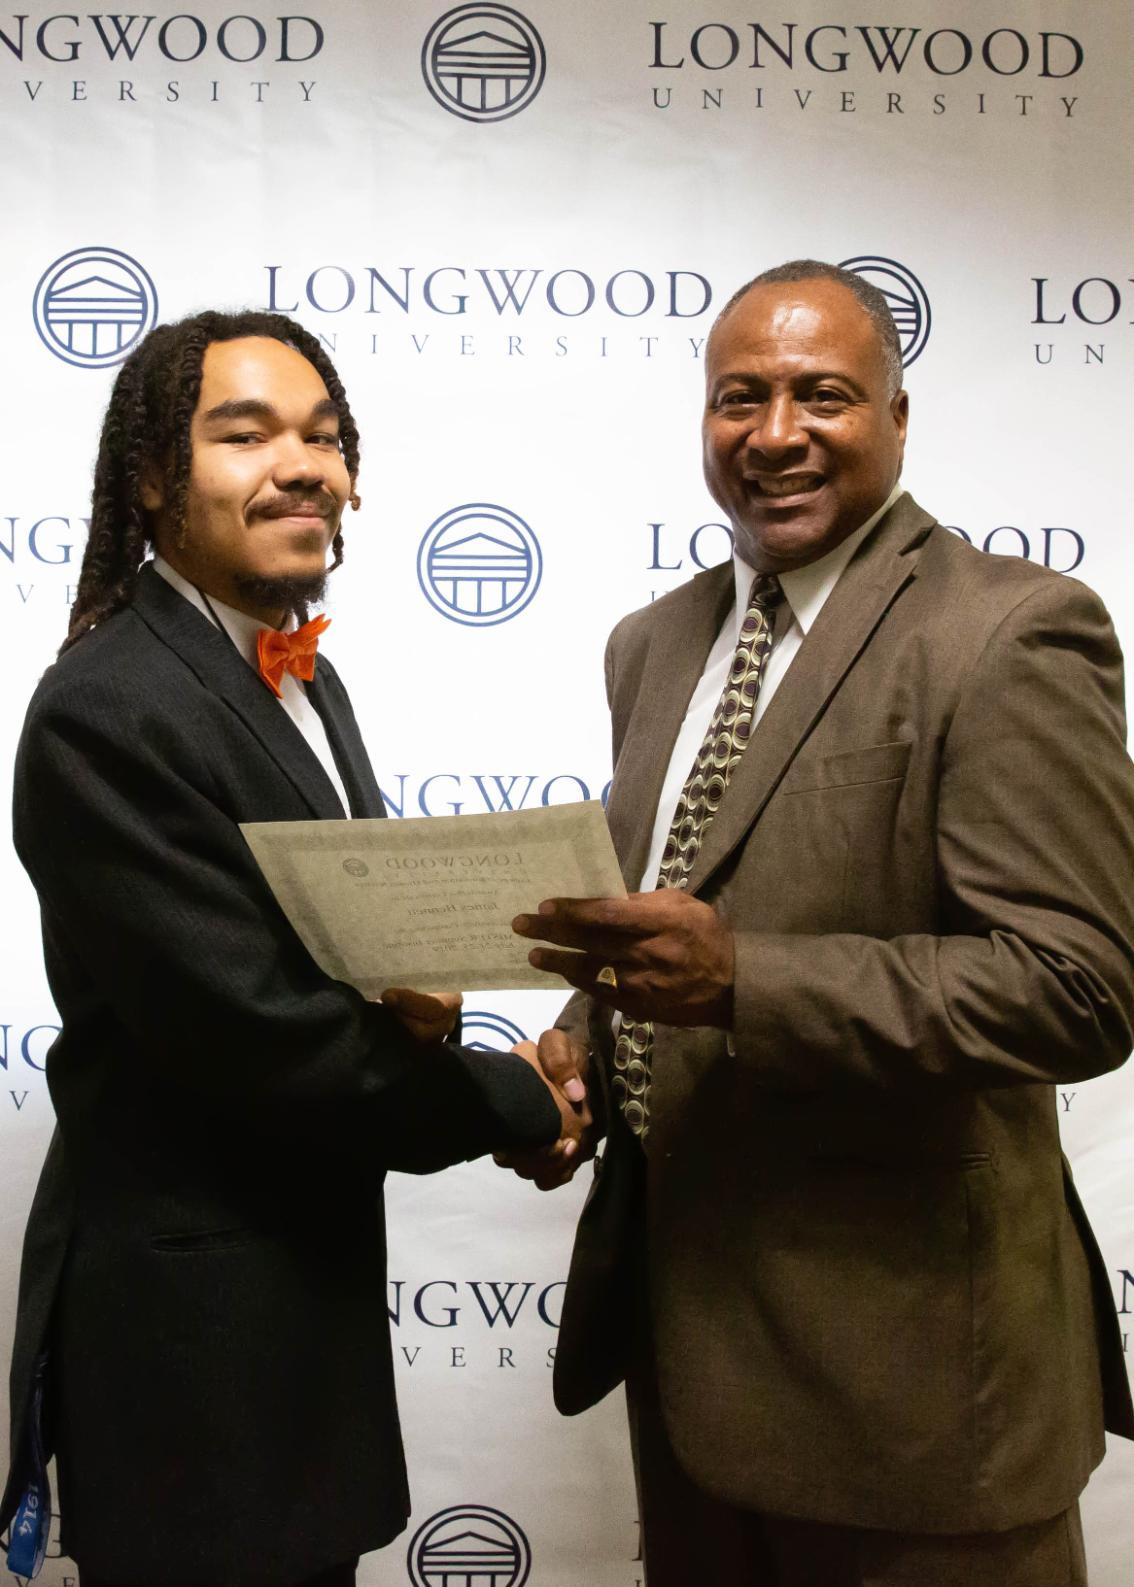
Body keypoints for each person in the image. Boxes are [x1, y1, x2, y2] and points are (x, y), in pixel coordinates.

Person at [502, 261, 1134, 1586]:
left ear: (899, 416)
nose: (772, 431)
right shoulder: (651, 641)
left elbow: (1075, 985)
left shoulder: (1008, 631)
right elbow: (671, 907)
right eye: (739, 396)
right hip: (687, 1355)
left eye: (820, 394)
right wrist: (585, 1032)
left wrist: (746, 980)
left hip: (914, 1395)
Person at [0, 310, 582, 1587]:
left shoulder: (307, 679)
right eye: (245, 432)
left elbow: (332, 950)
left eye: (324, 434)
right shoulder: (107, 710)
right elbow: (259, 1034)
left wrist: (415, 990)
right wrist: (510, 1096)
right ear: (153, 476)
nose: (304, 462)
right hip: (190, 1363)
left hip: (296, 1320)